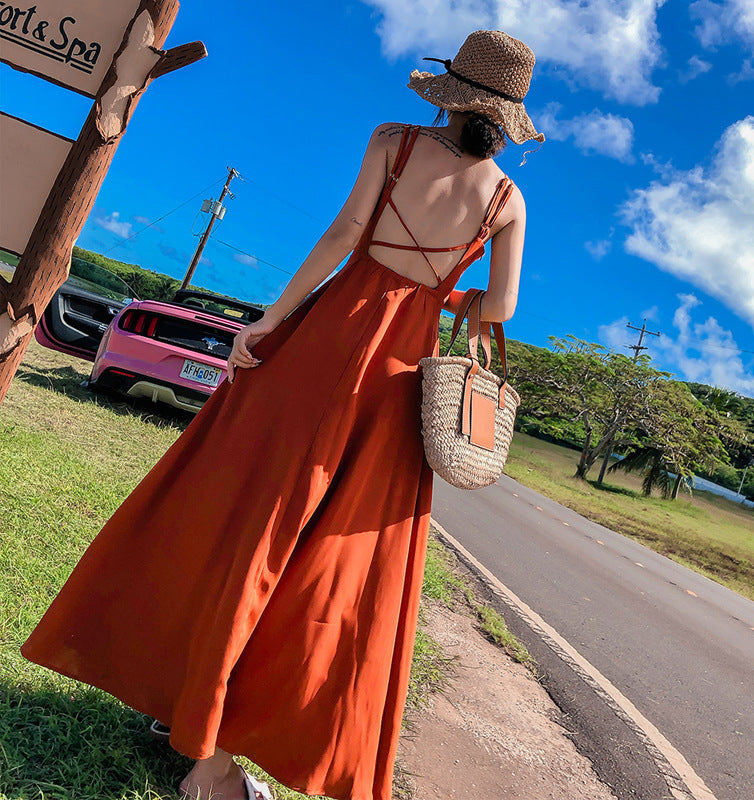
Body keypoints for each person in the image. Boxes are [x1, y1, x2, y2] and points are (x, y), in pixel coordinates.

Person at [21, 29, 544, 800]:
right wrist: (442, 294)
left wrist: (269, 319)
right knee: (328, 556)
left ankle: (195, 718)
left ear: (451, 90)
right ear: (510, 116)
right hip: (398, 373)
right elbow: (501, 307)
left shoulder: (395, 143)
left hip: (324, 343)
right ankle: (213, 751)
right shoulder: (507, 199)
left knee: (246, 512)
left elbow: (340, 236)